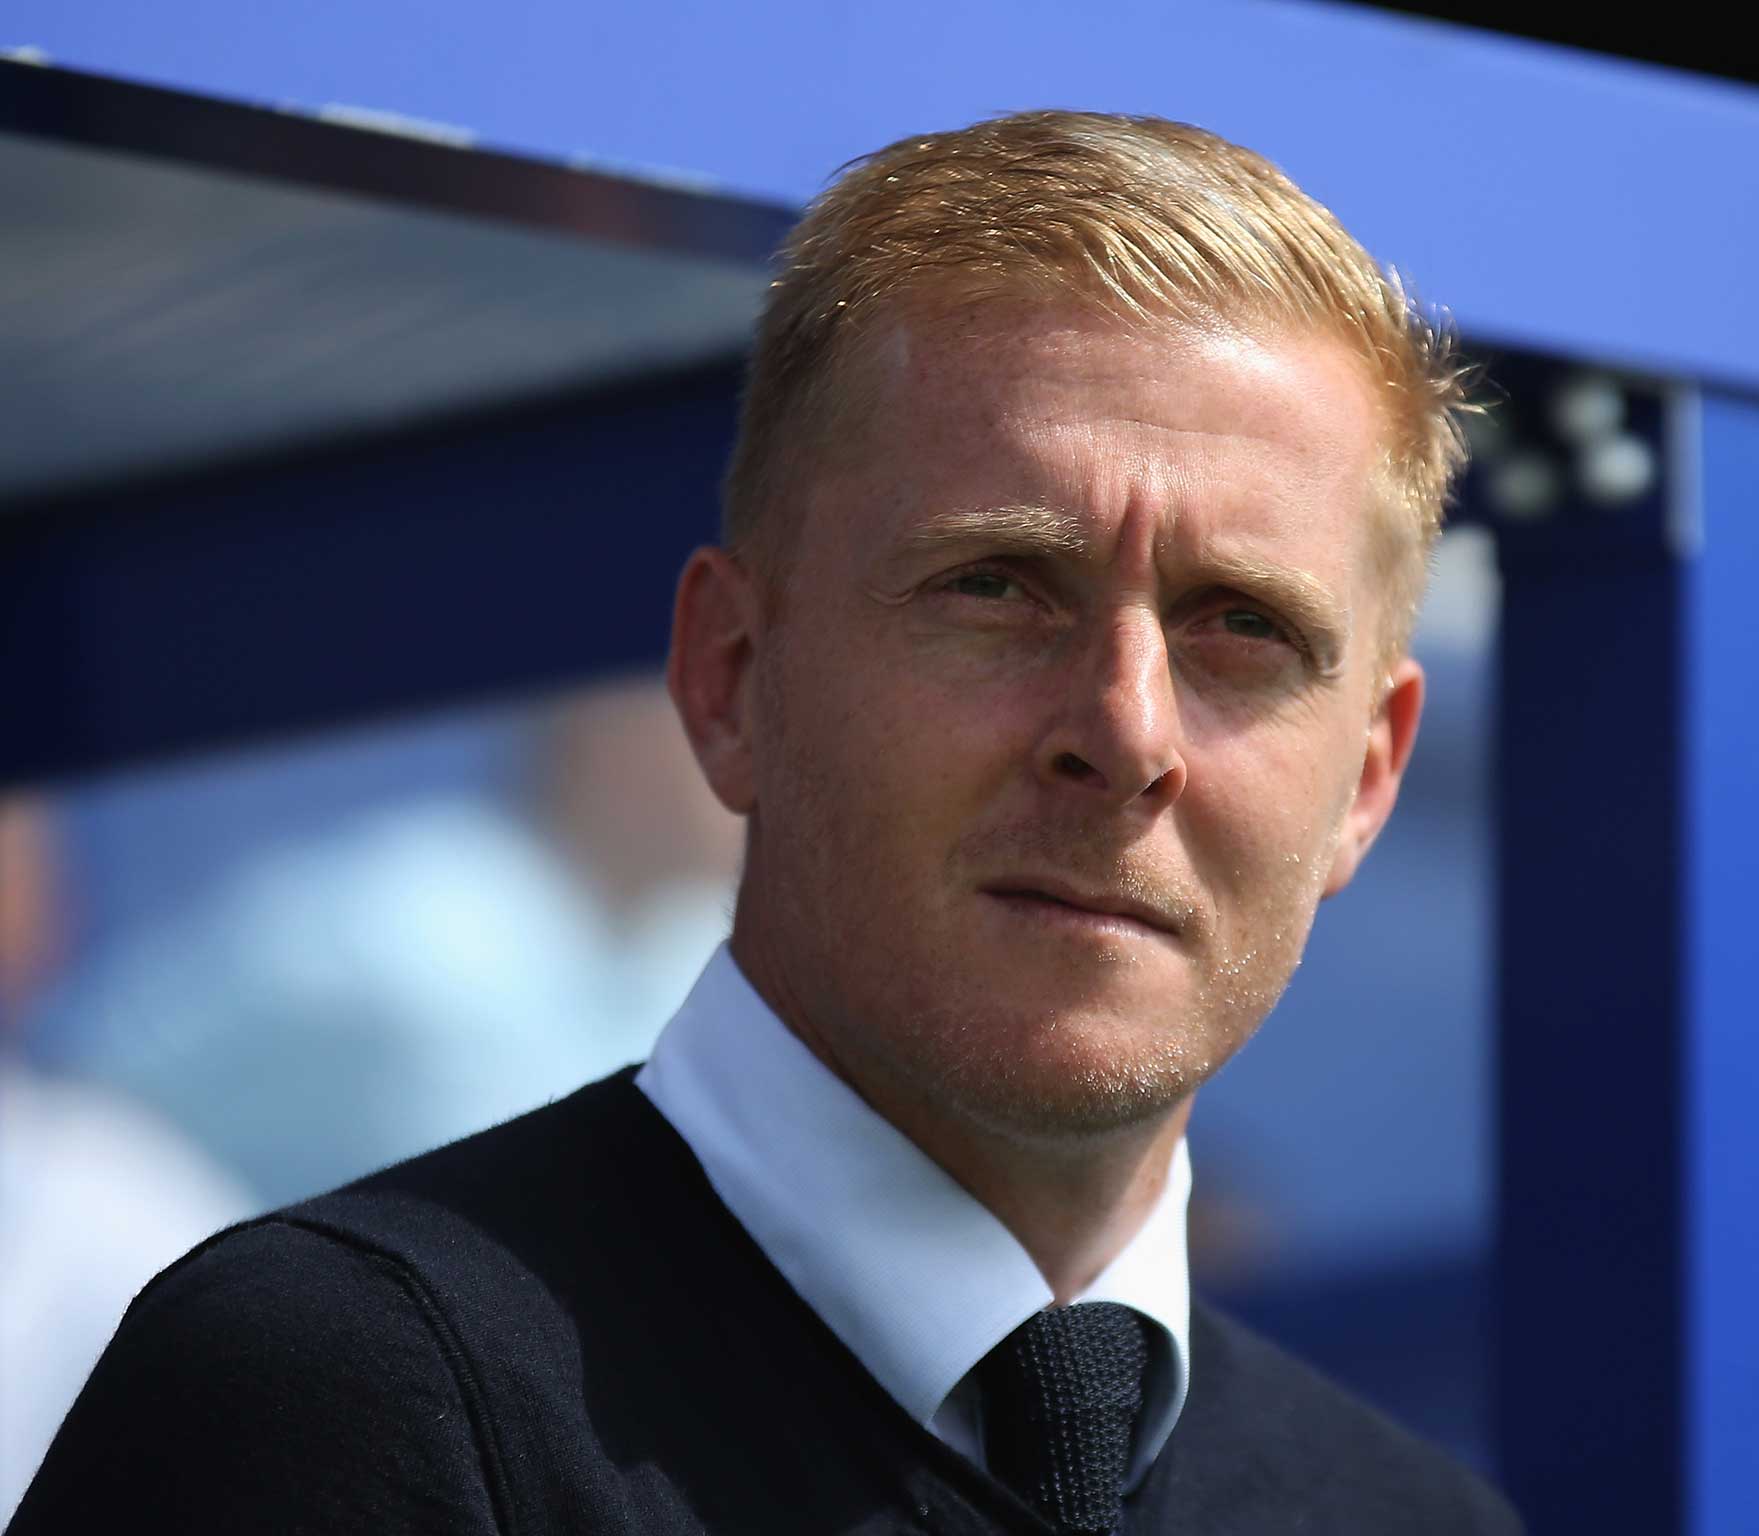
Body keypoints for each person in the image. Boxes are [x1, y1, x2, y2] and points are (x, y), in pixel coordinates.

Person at [11, 111, 1518, 1533]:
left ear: (1370, 780)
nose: (1126, 736)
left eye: (1242, 627)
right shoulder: (341, 1403)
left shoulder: (1406, 1517)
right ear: (731, 680)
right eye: (994, 585)